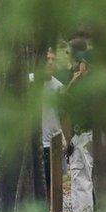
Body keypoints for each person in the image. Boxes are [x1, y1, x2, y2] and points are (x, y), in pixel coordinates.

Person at [61, 37, 93, 212]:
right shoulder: (75, 78)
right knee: (81, 180)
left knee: (85, 179)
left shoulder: (86, 81)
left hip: (87, 133)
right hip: (80, 134)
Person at [39, 49, 65, 192]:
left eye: (53, 59)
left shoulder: (59, 87)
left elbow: (63, 115)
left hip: (52, 142)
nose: (49, 62)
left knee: (51, 186)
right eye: (47, 59)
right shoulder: (28, 82)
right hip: (33, 142)